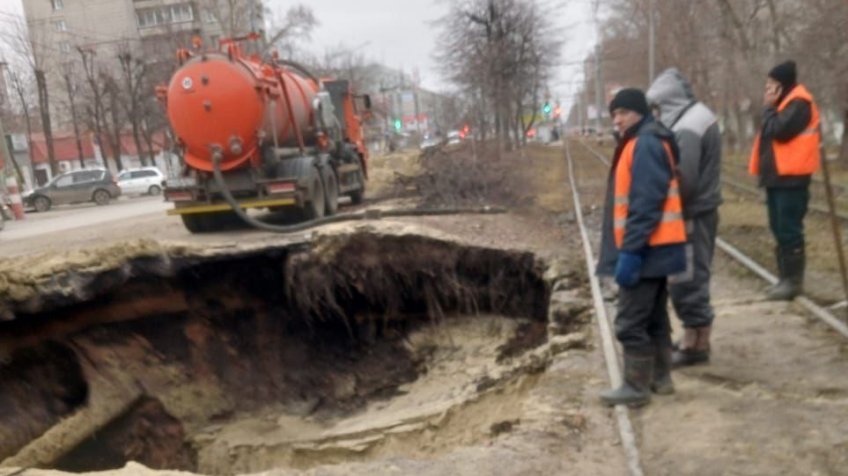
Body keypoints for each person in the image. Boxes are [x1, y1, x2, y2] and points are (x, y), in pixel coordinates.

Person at [597, 88, 687, 406]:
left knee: (629, 322)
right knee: (655, 318)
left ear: (639, 112)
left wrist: (631, 252)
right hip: (659, 247)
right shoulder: (647, 139)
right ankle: (661, 379)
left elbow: (646, 203)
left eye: (622, 112)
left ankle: (635, 388)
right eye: (614, 114)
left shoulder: (645, 143)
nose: (617, 120)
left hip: (647, 249)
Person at [647, 68, 722, 367]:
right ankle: (695, 334)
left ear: (668, 102)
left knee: (687, 278)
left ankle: (696, 344)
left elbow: (684, 180)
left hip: (692, 212)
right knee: (692, 274)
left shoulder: (687, 128)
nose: (656, 114)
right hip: (700, 209)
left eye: (657, 107)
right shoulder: (697, 116)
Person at [749, 60, 820, 300]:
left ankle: (792, 282)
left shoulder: (799, 103)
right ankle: (784, 278)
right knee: (778, 228)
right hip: (778, 178)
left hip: (792, 179)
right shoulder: (783, 104)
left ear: (783, 85)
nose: (767, 89)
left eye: (772, 84)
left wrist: (768, 108)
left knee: (789, 230)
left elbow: (778, 131)